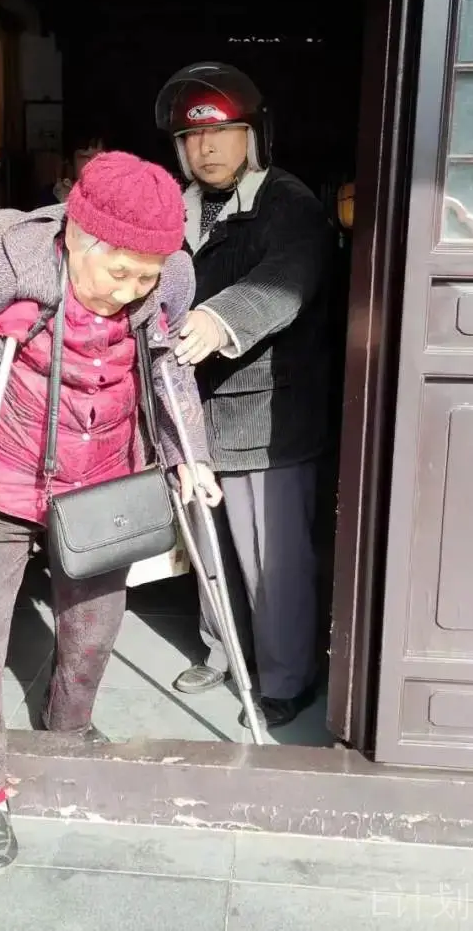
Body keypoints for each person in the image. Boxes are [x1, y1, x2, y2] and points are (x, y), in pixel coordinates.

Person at [0, 150, 221, 873]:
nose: (129, 292)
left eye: (145, 277)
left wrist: (189, 455)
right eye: (118, 273)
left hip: (99, 475)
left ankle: (68, 729)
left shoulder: (170, 276)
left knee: (94, 627)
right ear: (73, 236)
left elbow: (167, 366)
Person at [155, 62, 333, 730]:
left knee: (272, 556)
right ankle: (224, 650)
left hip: (267, 410)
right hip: (191, 406)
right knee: (206, 543)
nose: (206, 148)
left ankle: (287, 676)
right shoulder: (174, 206)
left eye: (222, 132)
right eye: (193, 137)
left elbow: (289, 276)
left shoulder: (288, 201)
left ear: (252, 135)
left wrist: (219, 318)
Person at [37, 133, 106, 206]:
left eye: (100, 157)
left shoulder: (108, 194)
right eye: (86, 157)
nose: (94, 163)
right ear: (69, 160)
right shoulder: (51, 195)